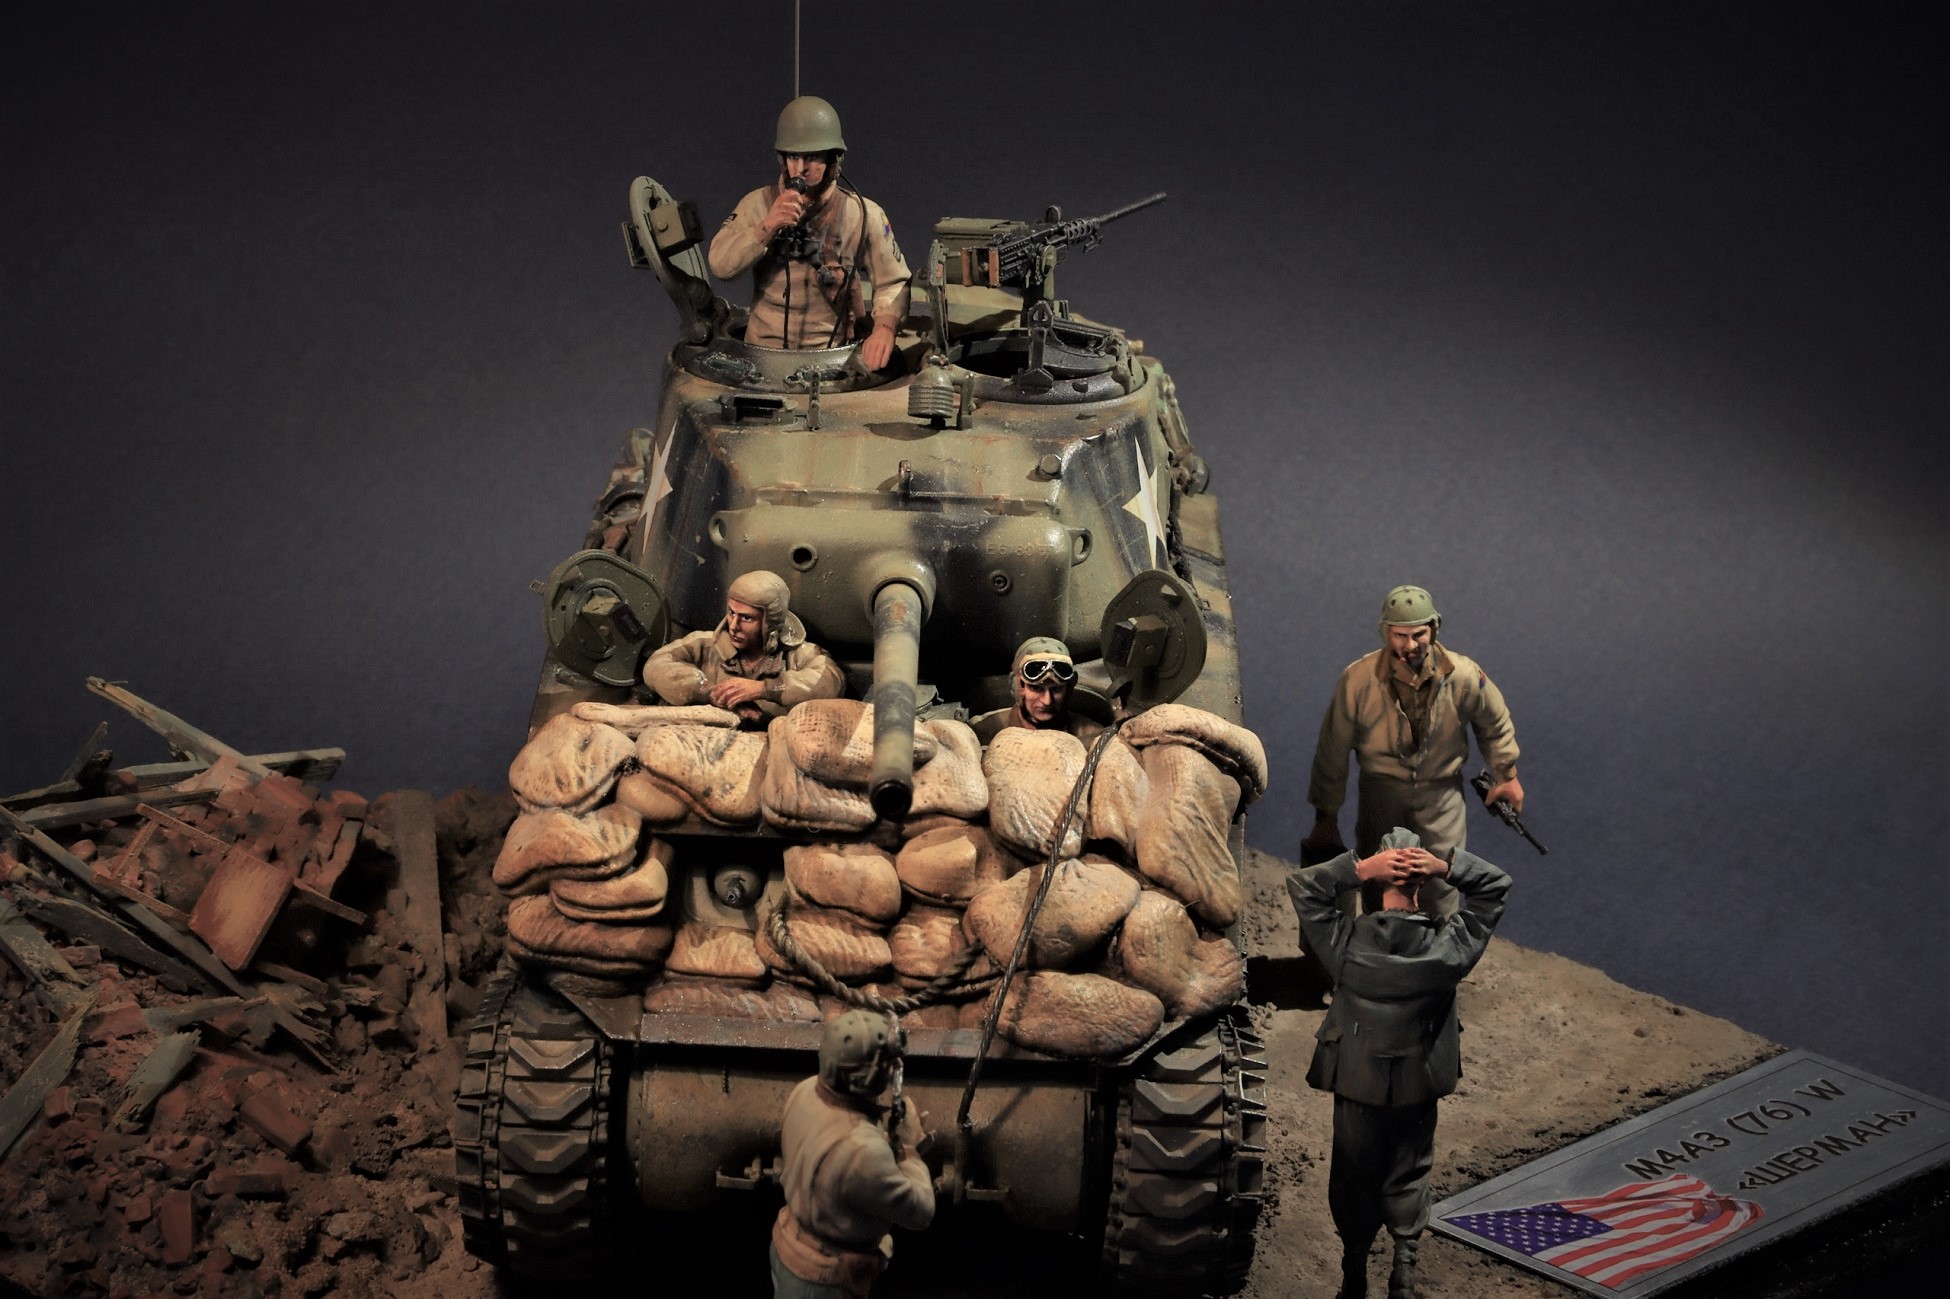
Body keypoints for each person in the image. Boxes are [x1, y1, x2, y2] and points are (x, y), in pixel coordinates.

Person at [1288, 829, 1512, 1299]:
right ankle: (1404, 1269)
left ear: (1377, 882)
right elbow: (1495, 887)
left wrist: (1359, 868)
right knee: (1411, 1167)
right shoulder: (1449, 949)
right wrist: (1446, 866)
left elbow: (1304, 887)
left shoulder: (1347, 945)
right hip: (1418, 1079)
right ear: (1421, 883)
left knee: (1353, 1173)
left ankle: (1354, 1271)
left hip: (1358, 1077)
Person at [1303, 585, 1524, 872]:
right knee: (1378, 877)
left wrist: (1507, 774)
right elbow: (1333, 749)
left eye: (1419, 634)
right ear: (1386, 632)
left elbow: (1494, 722)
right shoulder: (1358, 680)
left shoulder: (1464, 676)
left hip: (1441, 799)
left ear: (1434, 629)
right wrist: (1326, 817)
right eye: (1400, 635)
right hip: (1380, 796)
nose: (1410, 645)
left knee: (1443, 878)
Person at [708, 96, 912, 369]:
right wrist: (767, 227)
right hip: (762, 358)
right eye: (794, 156)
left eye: (813, 157)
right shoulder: (757, 205)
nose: (801, 168)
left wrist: (885, 327)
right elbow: (720, 264)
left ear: (832, 159)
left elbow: (893, 281)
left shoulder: (861, 214)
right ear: (783, 158)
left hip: (830, 359)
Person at [771, 1009, 934, 1298]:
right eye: (885, 1065)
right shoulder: (861, 1150)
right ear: (864, 1078)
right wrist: (909, 1150)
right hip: (823, 1280)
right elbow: (921, 1212)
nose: (892, 1070)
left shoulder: (806, 1089)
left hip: (787, 1243)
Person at [643, 570, 844, 727]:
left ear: (770, 623)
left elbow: (830, 682)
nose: (733, 625)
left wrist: (765, 689)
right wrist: (710, 692)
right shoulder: (704, 643)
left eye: (746, 618)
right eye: (732, 613)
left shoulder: (800, 654)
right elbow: (656, 665)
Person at [971, 637, 1105, 745]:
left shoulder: (1094, 736)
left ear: (1069, 688)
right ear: (1017, 686)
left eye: (1056, 689)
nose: (1047, 701)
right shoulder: (983, 732)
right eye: (1036, 688)